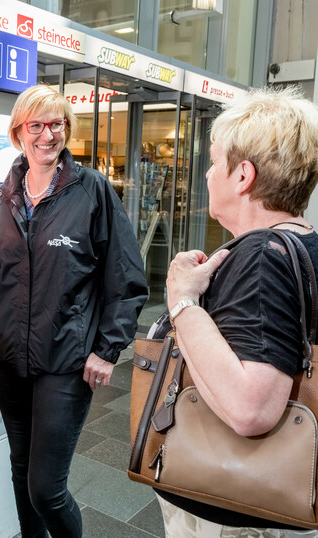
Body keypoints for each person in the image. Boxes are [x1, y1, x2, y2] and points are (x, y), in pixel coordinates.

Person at [0, 84, 148, 537]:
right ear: (18, 132)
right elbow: (2, 271)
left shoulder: (92, 191)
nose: (47, 135)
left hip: (66, 358)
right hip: (10, 357)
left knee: (47, 489)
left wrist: (107, 348)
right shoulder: (6, 197)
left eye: (56, 124)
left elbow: (126, 278)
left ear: (67, 129)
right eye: (36, 125)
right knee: (20, 473)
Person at [156, 86, 318, 537]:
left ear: (243, 175)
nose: (207, 175)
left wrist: (182, 301)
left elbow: (252, 408)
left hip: (239, 511)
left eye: (213, 161)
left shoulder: (263, 256)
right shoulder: (303, 245)